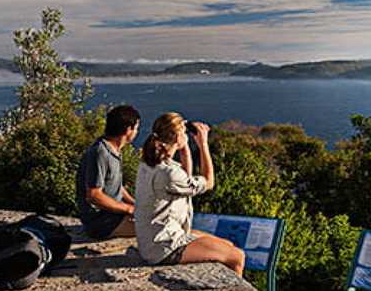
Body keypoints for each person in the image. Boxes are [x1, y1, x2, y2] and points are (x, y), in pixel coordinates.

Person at [134, 112, 245, 275]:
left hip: (154, 241)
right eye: (183, 133)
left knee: (227, 245)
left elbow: (185, 179)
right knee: (237, 257)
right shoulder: (168, 173)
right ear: (178, 137)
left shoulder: (149, 164)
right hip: (165, 247)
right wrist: (203, 145)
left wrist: (184, 147)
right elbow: (209, 182)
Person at [75, 105, 140, 239]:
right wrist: (128, 209)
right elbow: (94, 195)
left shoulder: (115, 150)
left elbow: (116, 186)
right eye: (136, 128)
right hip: (101, 222)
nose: (136, 132)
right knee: (156, 231)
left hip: (113, 216)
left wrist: (135, 204)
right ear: (128, 129)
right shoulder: (101, 152)